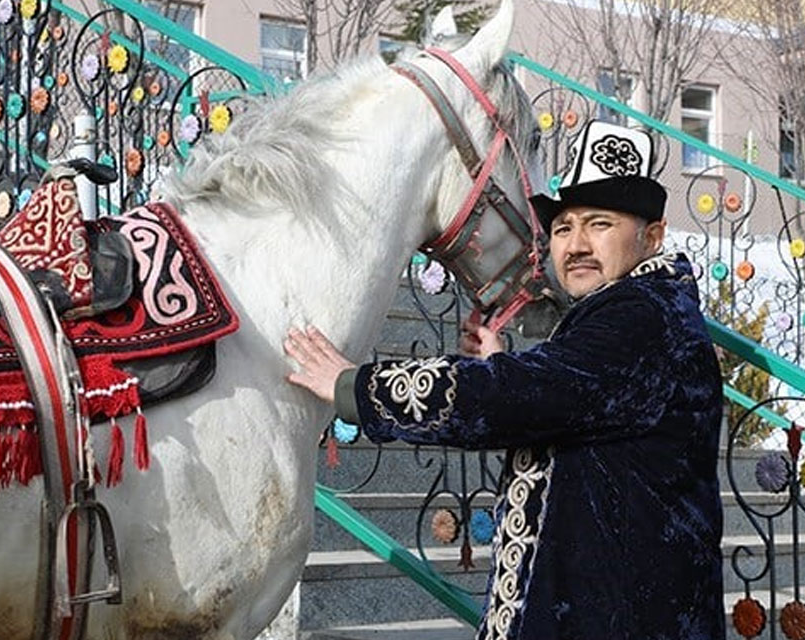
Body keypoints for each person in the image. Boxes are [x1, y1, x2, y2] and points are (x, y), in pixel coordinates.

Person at [285, 120, 725, 640]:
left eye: (600, 224)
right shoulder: (629, 313)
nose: (576, 244)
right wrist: (502, 360)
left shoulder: (644, 315)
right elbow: (569, 400)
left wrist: (355, 387)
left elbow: (523, 396)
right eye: (563, 228)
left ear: (652, 236)